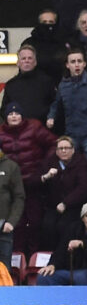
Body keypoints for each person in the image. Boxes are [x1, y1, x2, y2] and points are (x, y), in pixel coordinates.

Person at [0, 103, 56, 257]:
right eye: (10, 114)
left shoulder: (34, 127)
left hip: (33, 181)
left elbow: (54, 144)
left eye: (17, 113)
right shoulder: (1, 133)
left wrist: (43, 167)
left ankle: (33, 256)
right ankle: (17, 259)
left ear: (22, 115)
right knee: (15, 223)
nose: (14, 116)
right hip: (10, 184)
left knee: (35, 222)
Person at [36, 202, 87, 286]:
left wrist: (83, 244)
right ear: (82, 218)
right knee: (43, 276)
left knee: (80, 277)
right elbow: (61, 250)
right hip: (69, 270)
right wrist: (53, 265)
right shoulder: (73, 228)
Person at [39, 136, 87, 253]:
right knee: (47, 225)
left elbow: (84, 187)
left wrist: (66, 203)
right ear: (57, 151)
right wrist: (46, 177)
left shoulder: (81, 162)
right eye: (60, 148)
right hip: (53, 206)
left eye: (67, 148)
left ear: (73, 150)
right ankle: (49, 258)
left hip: (73, 206)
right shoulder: (50, 162)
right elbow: (36, 183)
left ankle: (65, 257)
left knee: (65, 226)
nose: (64, 151)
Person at [0, 46, 56, 126]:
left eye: (30, 58)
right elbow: (4, 110)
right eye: (23, 58)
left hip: (42, 130)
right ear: (18, 63)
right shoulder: (11, 85)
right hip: (18, 132)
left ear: (35, 62)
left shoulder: (47, 82)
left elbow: (55, 105)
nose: (27, 61)